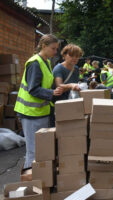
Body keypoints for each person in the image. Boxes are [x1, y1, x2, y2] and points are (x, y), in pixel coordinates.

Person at [14, 34, 63, 169]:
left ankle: (38, 181)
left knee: (40, 151)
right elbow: (33, 89)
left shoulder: (46, 61)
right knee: (33, 152)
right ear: (44, 46)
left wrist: (55, 90)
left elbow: (45, 84)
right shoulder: (35, 63)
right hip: (30, 113)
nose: (55, 52)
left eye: (56, 49)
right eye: (53, 48)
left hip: (40, 112)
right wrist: (51, 93)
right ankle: (30, 182)